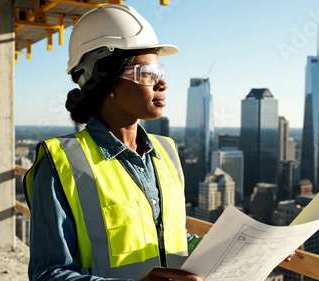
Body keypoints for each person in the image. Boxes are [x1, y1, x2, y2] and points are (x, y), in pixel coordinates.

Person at [23, 4, 203, 281]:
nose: (162, 83)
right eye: (147, 72)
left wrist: (245, 247)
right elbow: (48, 274)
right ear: (105, 83)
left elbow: (172, 236)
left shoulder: (166, 151)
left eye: (160, 71)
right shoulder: (61, 163)